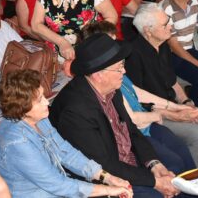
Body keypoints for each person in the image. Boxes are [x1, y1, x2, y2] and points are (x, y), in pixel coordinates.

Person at [50, 33, 183, 198]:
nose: (124, 70)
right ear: (99, 74)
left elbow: (132, 131)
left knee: (176, 169)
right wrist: (154, 181)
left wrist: (154, 164)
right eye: (119, 67)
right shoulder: (75, 111)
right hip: (105, 178)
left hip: (124, 160)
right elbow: (103, 164)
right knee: (155, 194)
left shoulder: (112, 89)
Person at [0, 69, 133, 198]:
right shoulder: (17, 143)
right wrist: (108, 190)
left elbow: (66, 153)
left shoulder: (37, 119)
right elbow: (58, 185)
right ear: (22, 108)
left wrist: (107, 177)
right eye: (39, 100)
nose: (46, 102)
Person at [124, 4, 198, 169]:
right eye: (165, 24)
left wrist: (186, 102)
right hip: (153, 114)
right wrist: (174, 114)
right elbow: (137, 101)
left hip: (172, 105)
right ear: (148, 30)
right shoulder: (133, 55)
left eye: (169, 21)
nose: (170, 26)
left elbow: (172, 82)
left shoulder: (163, 45)